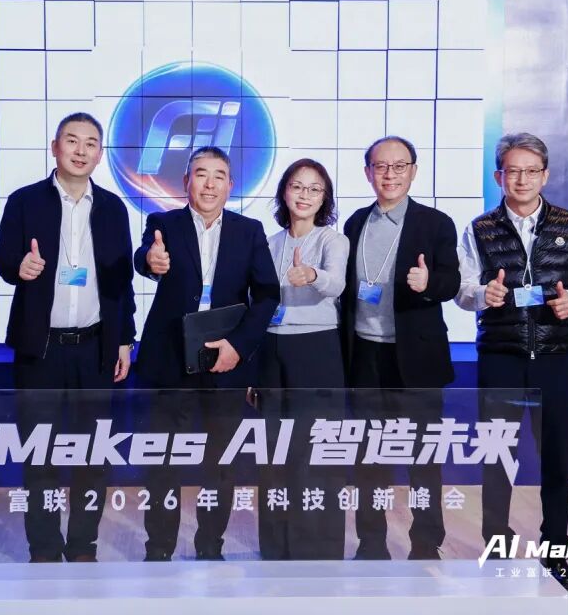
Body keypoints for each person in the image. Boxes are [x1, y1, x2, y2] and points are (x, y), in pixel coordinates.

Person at [455, 132, 568, 592]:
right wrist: (482, 294)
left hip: (555, 354)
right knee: (497, 457)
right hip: (501, 355)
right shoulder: (479, 228)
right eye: (512, 171)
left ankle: (555, 550)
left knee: (556, 457)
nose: (521, 179)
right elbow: (462, 288)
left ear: (545, 175)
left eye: (530, 171)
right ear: (498, 176)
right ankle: (496, 545)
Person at [0, 112, 136, 563]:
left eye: (90, 143)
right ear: (55, 147)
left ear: (99, 153)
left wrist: (124, 338)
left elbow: (121, 282)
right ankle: (43, 547)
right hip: (41, 350)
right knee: (40, 454)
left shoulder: (113, 208)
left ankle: (83, 545)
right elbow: (3, 260)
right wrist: (20, 267)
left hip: (94, 349)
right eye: (72, 141)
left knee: (94, 454)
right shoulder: (24, 201)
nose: (80, 150)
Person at [133, 145, 279, 561]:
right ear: (186, 182)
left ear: (231, 185)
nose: (209, 184)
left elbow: (267, 294)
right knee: (162, 461)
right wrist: (150, 260)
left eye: (218, 176)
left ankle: (210, 545)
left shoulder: (249, 230)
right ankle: (159, 548)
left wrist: (239, 347)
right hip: (170, 358)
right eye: (201, 174)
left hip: (225, 358)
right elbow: (144, 257)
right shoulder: (163, 223)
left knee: (221, 462)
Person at [340, 136, 460, 561]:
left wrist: (429, 285)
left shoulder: (436, 223)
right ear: (367, 172)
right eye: (380, 166)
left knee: (423, 458)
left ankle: (426, 543)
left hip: (416, 359)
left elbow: (452, 281)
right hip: (365, 356)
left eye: (399, 166)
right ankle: (371, 542)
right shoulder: (355, 223)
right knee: (368, 458)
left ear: (413, 171)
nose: (389, 174)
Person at [256, 158, 349, 560]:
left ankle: (319, 548)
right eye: (297, 186)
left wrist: (312, 276)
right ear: (284, 192)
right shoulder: (269, 243)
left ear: (324, 198)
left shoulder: (332, 240)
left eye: (314, 189)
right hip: (271, 349)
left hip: (316, 348)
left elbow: (337, 283)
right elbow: (258, 303)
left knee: (317, 452)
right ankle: (275, 546)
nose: (305, 195)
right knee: (274, 452)